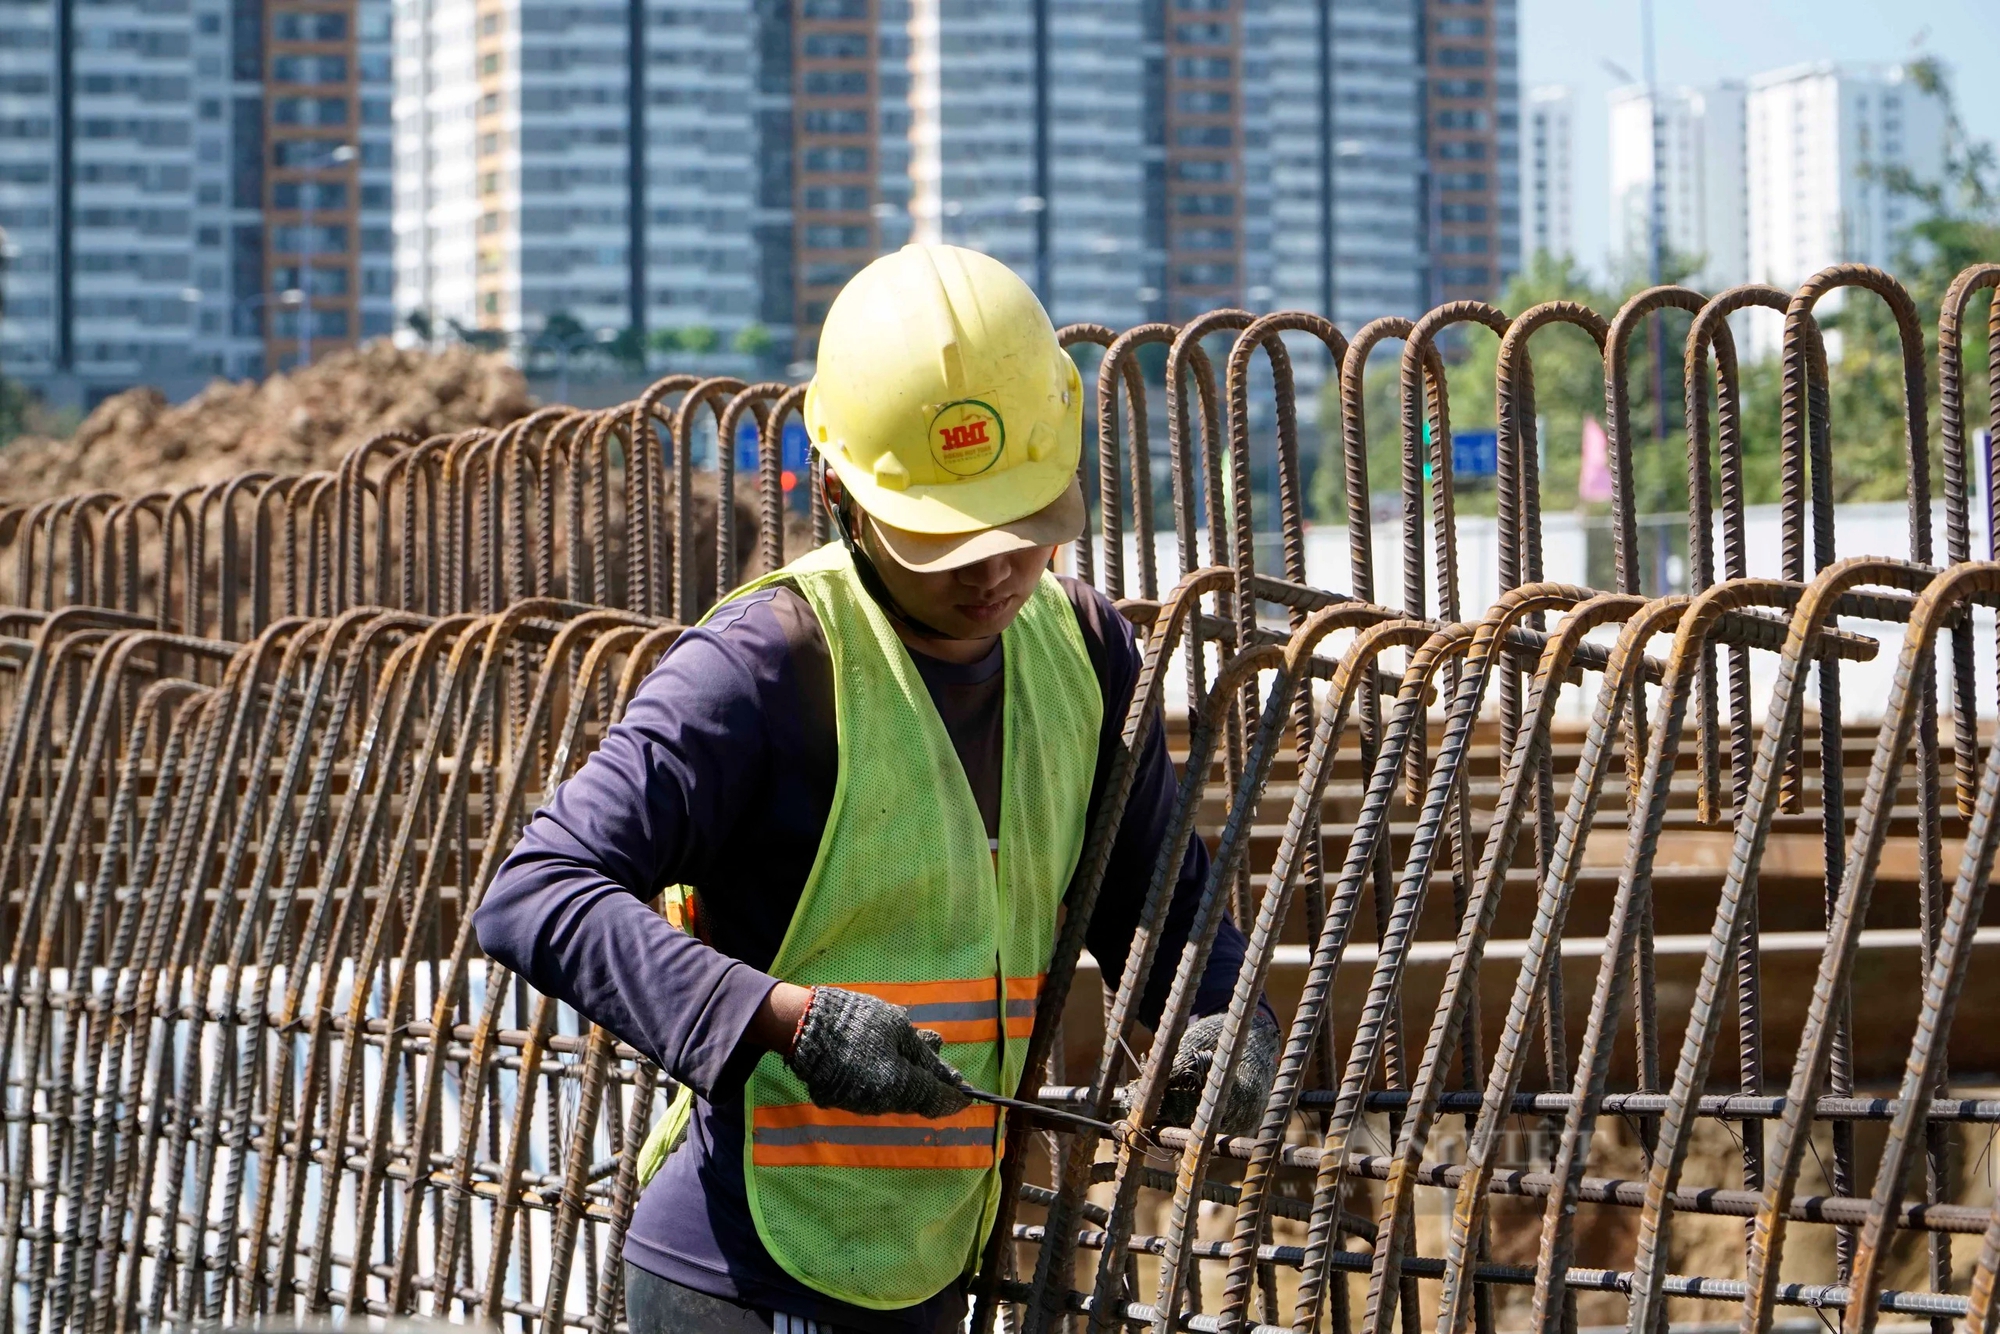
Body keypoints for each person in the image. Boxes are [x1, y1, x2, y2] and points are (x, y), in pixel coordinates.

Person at [475, 243, 1279, 1334]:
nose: (992, 569)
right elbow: (535, 890)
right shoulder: (764, 666)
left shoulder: (1084, 654)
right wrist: (786, 1018)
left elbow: (1166, 902)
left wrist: (1226, 1014)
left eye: (1018, 526)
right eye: (943, 537)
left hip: (926, 1261)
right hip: (744, 1272)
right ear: (845, 491)